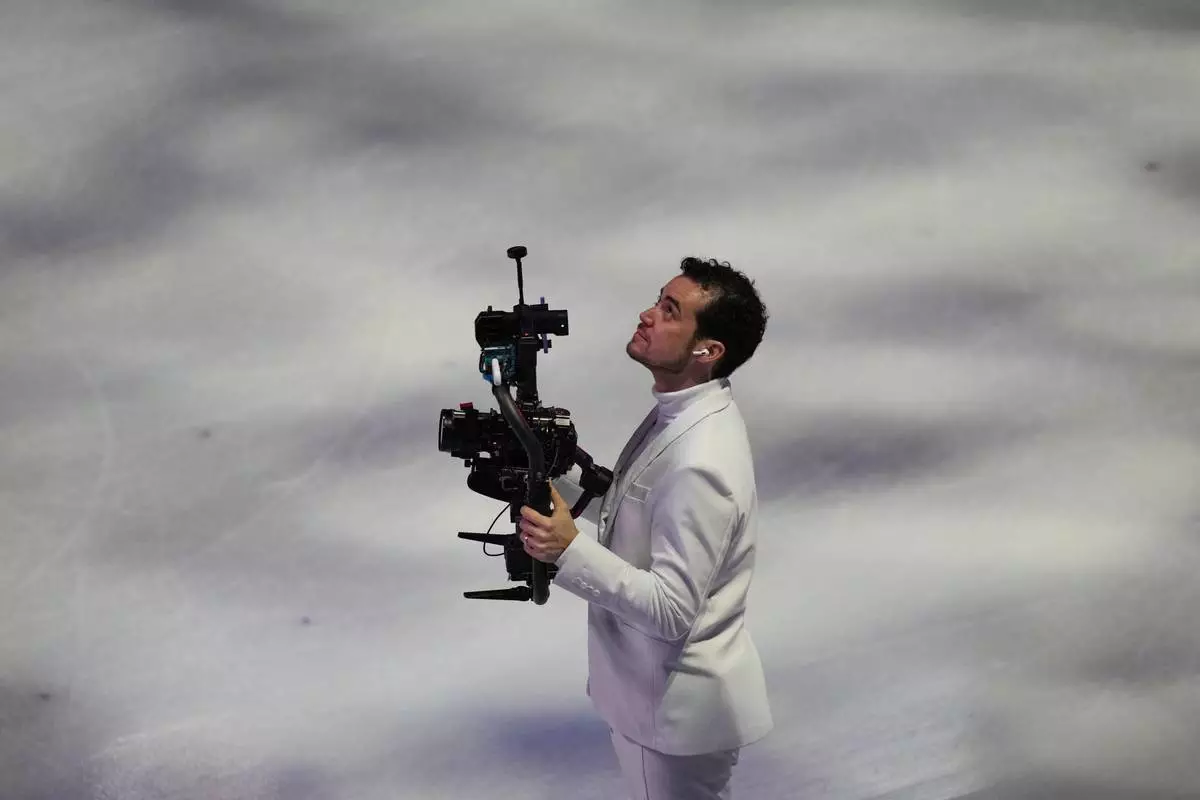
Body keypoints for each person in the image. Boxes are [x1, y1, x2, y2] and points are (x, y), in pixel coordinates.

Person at [519, 257, 772, 800]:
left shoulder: (701, 459)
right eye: (659, 299)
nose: (647, 314)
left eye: (669, 310)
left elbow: (672, 609)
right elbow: (631, 505)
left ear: (709, 350)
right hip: (653, 702)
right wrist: (545, 472)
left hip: (674, 716)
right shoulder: (680, 415)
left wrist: (567, 550)